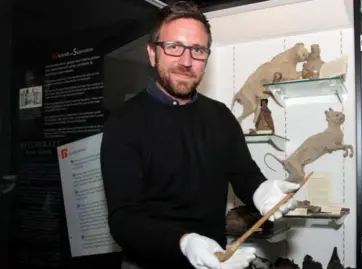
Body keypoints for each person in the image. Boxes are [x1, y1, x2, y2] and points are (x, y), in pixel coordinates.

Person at [99, 2, 300, 269]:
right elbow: (124, 220)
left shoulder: (220, 116)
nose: (186, 61)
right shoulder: (124, 123)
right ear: (152, 53)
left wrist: (262, 191)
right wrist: (184, 242)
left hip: (216, 262)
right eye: (173, 47)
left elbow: (245, 175)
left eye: (197, 50)